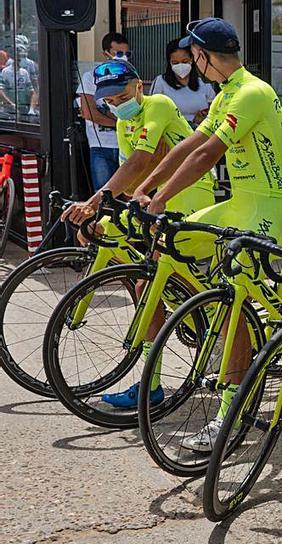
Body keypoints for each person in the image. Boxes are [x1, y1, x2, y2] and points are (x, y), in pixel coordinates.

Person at [134, 17, 282, 449]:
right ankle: (214, 322)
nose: (193, 65)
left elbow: (209, 154)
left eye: (195, 58)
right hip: (240, 201)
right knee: (169, 244)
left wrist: (161, 196)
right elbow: (188, 144)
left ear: (205, 57)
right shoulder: (226, 92)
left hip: (268, 204)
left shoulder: (250, 92)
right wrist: (147, 187)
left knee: (235, 302)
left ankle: (232, 411)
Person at [59, 61, 217, 410]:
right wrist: (102, 212)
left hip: (186, 197)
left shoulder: (157, 105)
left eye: (122, 95)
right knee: (145, 282)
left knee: (154, 283)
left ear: (140, 87)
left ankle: (211, 332)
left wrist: (94, 201)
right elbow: (129, 177)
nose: (116, 104)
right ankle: (156, 377)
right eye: (109, 101)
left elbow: (140, 162)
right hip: (154, 201)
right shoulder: (124, 119)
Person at [78, 33, 131, 190]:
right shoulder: (90, 77)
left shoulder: (129, 77)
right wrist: (119, 123)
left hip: (126, 144)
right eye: (118, 54)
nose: (123, 58)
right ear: (105, 54)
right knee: (103, 195)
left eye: (126, 54)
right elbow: (89, 113)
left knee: (129, 192)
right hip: (101, 145)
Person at [149, 38, 217, 126]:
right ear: (169, 62)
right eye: (175, 63)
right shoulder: (160, 82)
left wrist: (203, 116)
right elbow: (152, 112)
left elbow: (215, 109)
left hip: (200, 133)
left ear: (192, 59)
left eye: (185, 61)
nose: (180, 66)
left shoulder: (204, 83)